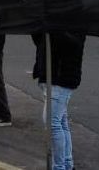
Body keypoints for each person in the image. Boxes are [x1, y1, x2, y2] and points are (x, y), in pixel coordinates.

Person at [32, 30, 87, 170]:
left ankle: (60, 167)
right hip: (51, 75)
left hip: (61, 78)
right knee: (60, 122)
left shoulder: (72, 22)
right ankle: (67, 164)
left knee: (52, 122)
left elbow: (68, 43)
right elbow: (40, 40)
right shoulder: (55, 19)